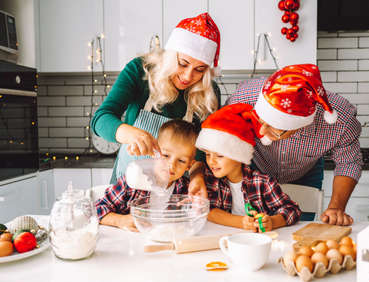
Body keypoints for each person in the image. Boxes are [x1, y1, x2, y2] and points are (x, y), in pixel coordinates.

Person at [90, 12, 221, 196]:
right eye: (183, 64)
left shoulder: (208, 92)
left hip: (175, 196)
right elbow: (100, 120)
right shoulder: (139, 71)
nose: (187, 76)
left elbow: (202, 152)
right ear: (170, 55)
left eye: (199, 70)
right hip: (127, 191)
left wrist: (197, 177)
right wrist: (129, 133)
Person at [225, 64, 363, 226]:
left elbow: (349, 162)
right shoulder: (244, 97)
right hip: (255, 168)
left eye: (275, 130)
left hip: (305, 174)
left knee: (298, 226)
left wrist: (336, 207)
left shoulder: (341, 120)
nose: (261, 131)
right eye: (259, 121)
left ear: (301, 125)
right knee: (255, 225)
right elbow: (224, 137)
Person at [195, 104, 302, 232]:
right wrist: (241, 222)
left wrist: (273, 222)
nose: (211, 161)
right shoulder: (210, 181)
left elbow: (292, 210)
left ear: (238, 154)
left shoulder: (262, 183)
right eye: (207, 154)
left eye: (219, 155)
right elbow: (208, 210)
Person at [95, 119, 198, 231]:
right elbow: (96, 209)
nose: (171, 165)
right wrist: (120, 220)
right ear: (154, 152)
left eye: (181, 161)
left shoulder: (186, 190)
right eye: (166, 155)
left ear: (189, 166)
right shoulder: (133, 183)